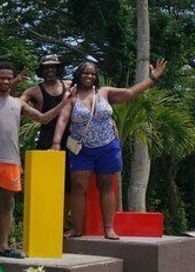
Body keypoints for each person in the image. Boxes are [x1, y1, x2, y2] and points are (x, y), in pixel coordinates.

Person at [52, 59, 167, 240]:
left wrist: (152, 79)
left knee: (106, 186)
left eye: (92, 73)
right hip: (81, 149)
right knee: (78, 186)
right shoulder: (71, 96)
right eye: (85, 73)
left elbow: (130, 93)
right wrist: (56, 143)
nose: (89, 76)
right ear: (78, 75)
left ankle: (109, 229)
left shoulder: (104, 93)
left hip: (107, 147)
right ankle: (76, 228)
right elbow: (63, 120)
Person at [0, 62, 74, 258]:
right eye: (2, 77)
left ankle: (3, 246)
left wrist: (65, 102)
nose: (6, 81)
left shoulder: (18, 103)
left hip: (12, 160)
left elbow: (43, 118)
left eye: (9, 78)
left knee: (7, 204)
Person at [20, 54, 73, 197]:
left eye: (53, 67)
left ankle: (65, 218)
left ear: (58, 69)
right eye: (47, 67)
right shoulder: (34, 91)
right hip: (46, 139)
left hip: (71, 138)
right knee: (46, 182)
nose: (50, 70)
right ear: (41, 70)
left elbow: (92, 97)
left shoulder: (69, 85)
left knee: (70, 185)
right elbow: (16, 105)